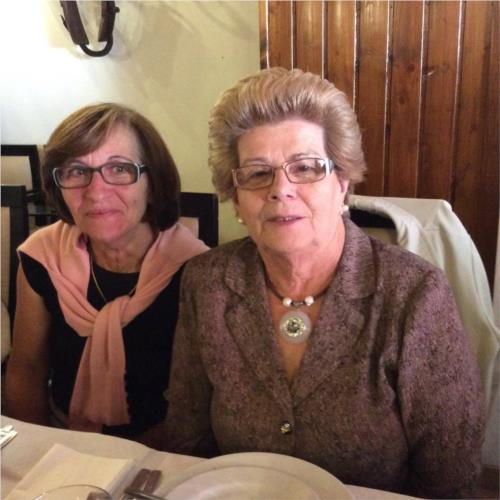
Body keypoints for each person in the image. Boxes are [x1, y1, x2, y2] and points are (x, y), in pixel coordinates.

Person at [164, 68, 484, 498]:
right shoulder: (207, 283)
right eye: (257, 173)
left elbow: (451, 479)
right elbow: (187, 442)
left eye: (306, 168)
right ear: (235, 197)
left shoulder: (414, 295)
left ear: (342, 183)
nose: (280, 190)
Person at [5, 103, 208, 448]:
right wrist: (40, 452)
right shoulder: (42, 256)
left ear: (152, 183)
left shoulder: (197, 270)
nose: (96, 192)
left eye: (119, 168)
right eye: (76, 171)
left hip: (164, 452)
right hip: (63, 438)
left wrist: (128, 460)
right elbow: (27, 369)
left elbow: (199, 404)